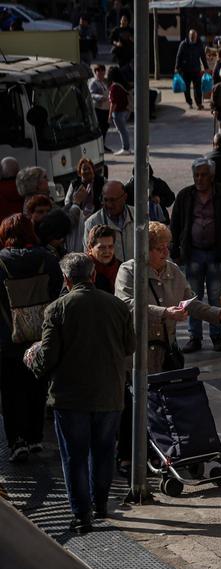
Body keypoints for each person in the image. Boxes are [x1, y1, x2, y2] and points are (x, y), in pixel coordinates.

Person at [27, 253, 134, 533]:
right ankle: (100, 505)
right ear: (93, 275)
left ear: (65, 279)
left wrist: (33, 362)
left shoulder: (57, 308)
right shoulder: (117, 307)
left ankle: (82, 514)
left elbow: (48, 355)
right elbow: (129, 346)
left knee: (74, 456)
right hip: (110, 393)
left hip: (71, 396)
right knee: (103, 452)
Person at [115, 222, 221, 374]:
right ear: (144, 250)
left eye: (167, 246)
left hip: (166, 355)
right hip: (136, 357)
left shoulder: (173, 270)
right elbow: (127, 305)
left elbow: (190, 303)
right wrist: (164, 312)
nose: (166, 252)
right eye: (159, 249)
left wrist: (218, 313)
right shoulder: (128, 271)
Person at [0, 214, 62, 462]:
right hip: (39, 337)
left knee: (10, 392)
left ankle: (17, 441)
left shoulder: (1, 262)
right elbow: (57, 291)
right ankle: (35, 437)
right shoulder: (47, 259)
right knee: (36, 387)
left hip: (7, 338)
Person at [169, 158, 221, 353]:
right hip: (193, 254)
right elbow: (175, 224)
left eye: (203, 175)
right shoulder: (185, 196)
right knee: (193, 297)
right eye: (196, 175)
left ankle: (217, 336)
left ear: (211, 176)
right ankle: (195, 337)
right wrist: (174, 250)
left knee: (216, 296)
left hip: (216, 254)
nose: (199, 179)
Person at [83, 180, 134, 262]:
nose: (109, 204)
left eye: (113, 200)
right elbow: (88, 258)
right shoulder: (92, 223)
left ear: (125, 197)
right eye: (106, 200)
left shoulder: (139, 217)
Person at [174, 29, 207, 111]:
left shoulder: (199, 45)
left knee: (198, 88)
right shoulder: (183, 44)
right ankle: (189, 102)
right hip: (186, 70)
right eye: (191, 36)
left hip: (196, 69)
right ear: (189, 36)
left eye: (194, 36)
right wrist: (177, 67)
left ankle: (199, 103)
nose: (193, 38)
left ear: (196, 36)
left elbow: (203, 57)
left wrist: (206, 67)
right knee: (187, 88)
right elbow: (179, 56)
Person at [86, 224, 121, 294]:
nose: (107, 251)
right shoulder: (83, 269)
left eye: (110, 246)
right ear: (90, 248)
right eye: (102, 247)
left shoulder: (121, 268)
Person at [88, 65, 112, 153]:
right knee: (100, 128)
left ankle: (103, 145)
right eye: (100, 73)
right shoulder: (94, 82)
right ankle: (98, 147)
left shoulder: (104, 82)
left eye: (103, 73)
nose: (102, 75)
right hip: (99, 108)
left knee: (105, 127)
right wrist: (100, 97)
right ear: (96, 72)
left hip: (106, 108)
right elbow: (91, 94)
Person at [108, 74, 132, 155]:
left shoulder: (114, 87)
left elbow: (113, 103)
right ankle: (126, 147)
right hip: (125, 111)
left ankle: (125, 148)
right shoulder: (122, 85)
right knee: (124, 130)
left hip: (118, 112)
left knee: (122, 131)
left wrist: (110, 115)